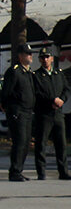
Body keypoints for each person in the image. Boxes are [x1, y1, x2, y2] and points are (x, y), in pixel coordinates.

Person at [32, 48, 71, 180]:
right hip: (44, 114)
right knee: (41, 144)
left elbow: (66, 89)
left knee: (61, 144)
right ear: (39, 59)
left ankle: (63, 171)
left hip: (58, 113)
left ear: (52, 58)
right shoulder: (36, 75)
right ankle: (41, 172)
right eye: (42, 57)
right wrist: (51, 100)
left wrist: (62, 99)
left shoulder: (58, 73)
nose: (45, 60)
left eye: (47, 57)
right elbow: (36, 93)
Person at [2, 43, 37, 181]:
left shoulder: (28, 73)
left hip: (28, 112)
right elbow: (6, 93)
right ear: (20, 56)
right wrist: (11, 109)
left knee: (26, 141)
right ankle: (14, 171)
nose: (30, 56)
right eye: (27, 54)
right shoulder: (14, 71)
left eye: (30, 53)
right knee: (20, 141)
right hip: (18, 112)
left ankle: (19, 169)